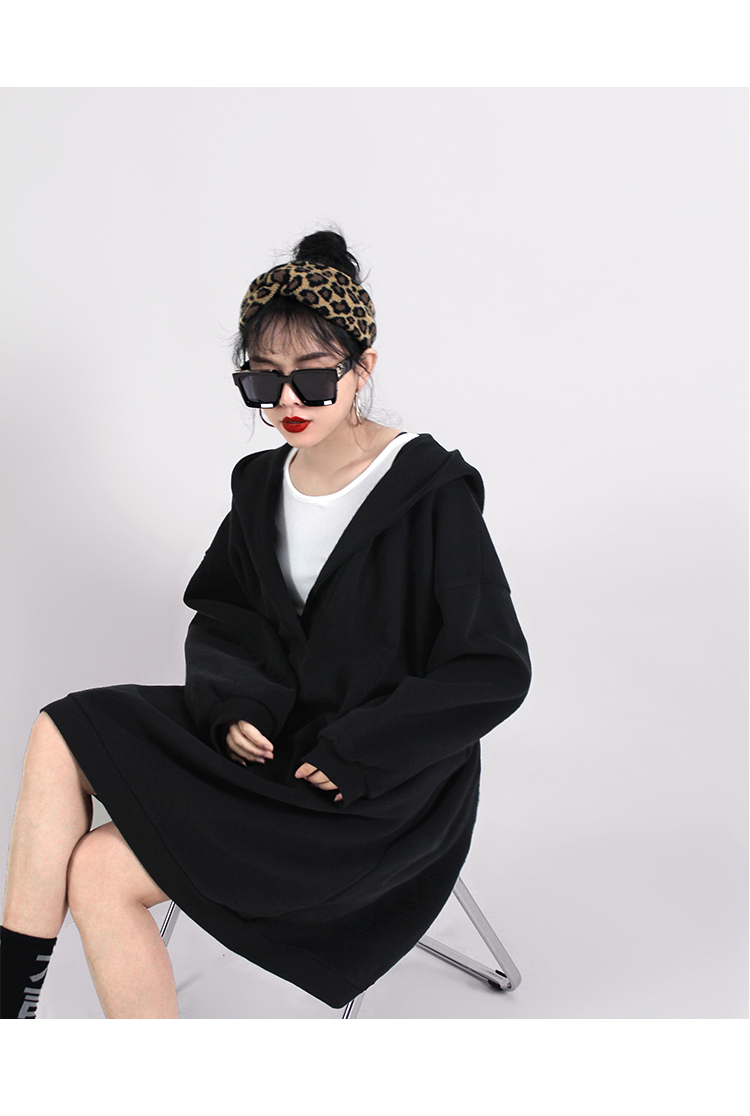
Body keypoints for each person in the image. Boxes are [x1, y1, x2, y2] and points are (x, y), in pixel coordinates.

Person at [0, 229, 532, 1019]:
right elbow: (229, 616)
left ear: (363, 368)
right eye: (262, 380)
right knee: (62, 728)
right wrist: (234, 705)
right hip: (274, 743)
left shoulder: (429, 492)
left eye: (313, 379)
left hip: (373, 790)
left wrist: (362, 750)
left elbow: (492, 667)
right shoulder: (260, 485)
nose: (287, 402)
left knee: (102, 870)